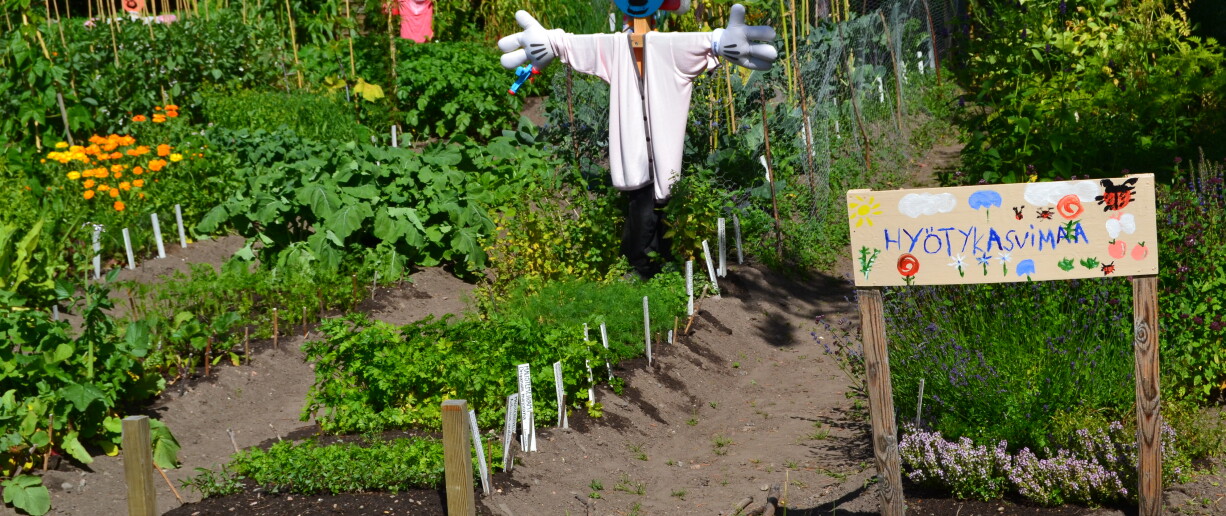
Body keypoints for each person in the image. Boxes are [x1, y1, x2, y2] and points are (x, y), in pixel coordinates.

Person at [498, 2, 776, 278]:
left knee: (656, 203)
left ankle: (657, 268)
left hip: (663, 151)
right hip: (634, 149)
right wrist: (550, 42)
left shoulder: (668, 47)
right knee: (643, 206)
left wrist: (720, 41)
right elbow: (575, 44)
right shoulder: (617, 47)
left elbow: (705, 42)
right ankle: (643, 269)